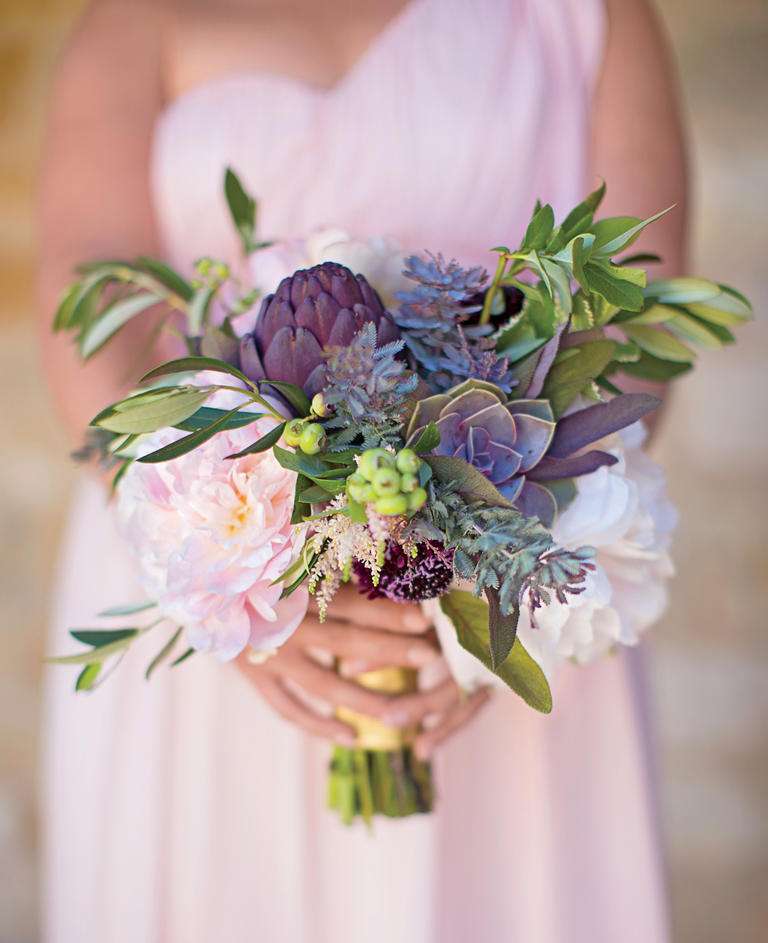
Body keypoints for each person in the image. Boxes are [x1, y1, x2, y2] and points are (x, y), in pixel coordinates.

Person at [38, 1, 687, 940]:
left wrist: (478, 569)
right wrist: (236, 578)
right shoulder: (131, 18)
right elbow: (85, 286)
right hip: (210, 573)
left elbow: (638, 314)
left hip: (511, 586)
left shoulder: (587, 15)